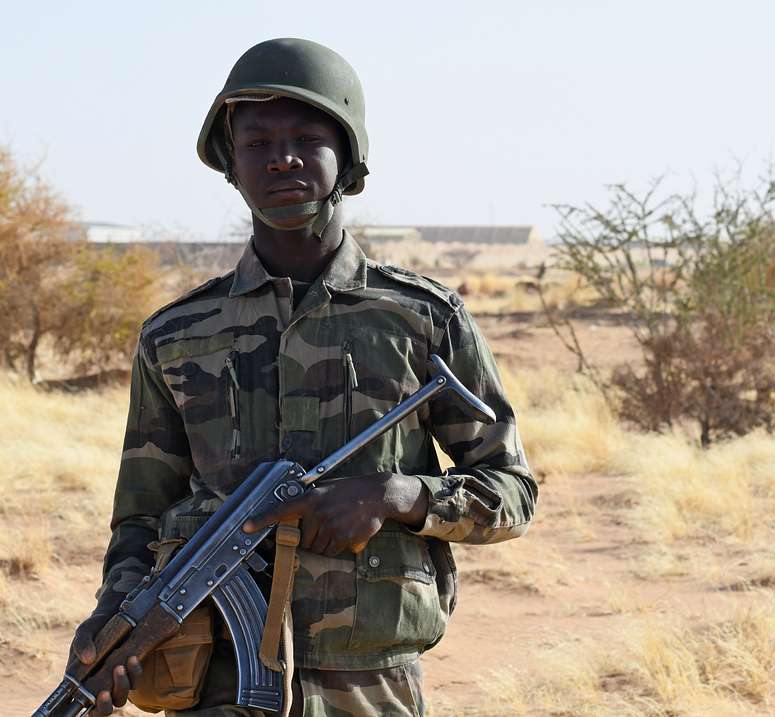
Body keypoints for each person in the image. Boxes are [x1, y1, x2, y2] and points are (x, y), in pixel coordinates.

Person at [68, 37, 538, 717]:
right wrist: (115, 620)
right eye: (257, 141)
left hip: (368, 682)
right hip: (212, 679)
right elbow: (139, 517)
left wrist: (400, 493)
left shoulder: (421, 318)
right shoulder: (176, 335)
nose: (281, 156)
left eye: (306, 137)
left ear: (348, 159)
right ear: (231, 164)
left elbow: (512, 492)